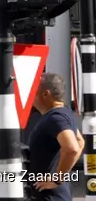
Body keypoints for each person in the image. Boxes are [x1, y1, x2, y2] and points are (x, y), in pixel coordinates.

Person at [28, 72, 84, 200]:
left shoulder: (55, 118)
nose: (30, 95)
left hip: (50, 196)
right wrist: (63, 172)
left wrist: (57, 178)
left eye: (33, 91)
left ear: (45, 94)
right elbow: (80, 141)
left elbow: (72, 148)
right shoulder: (64, 112)